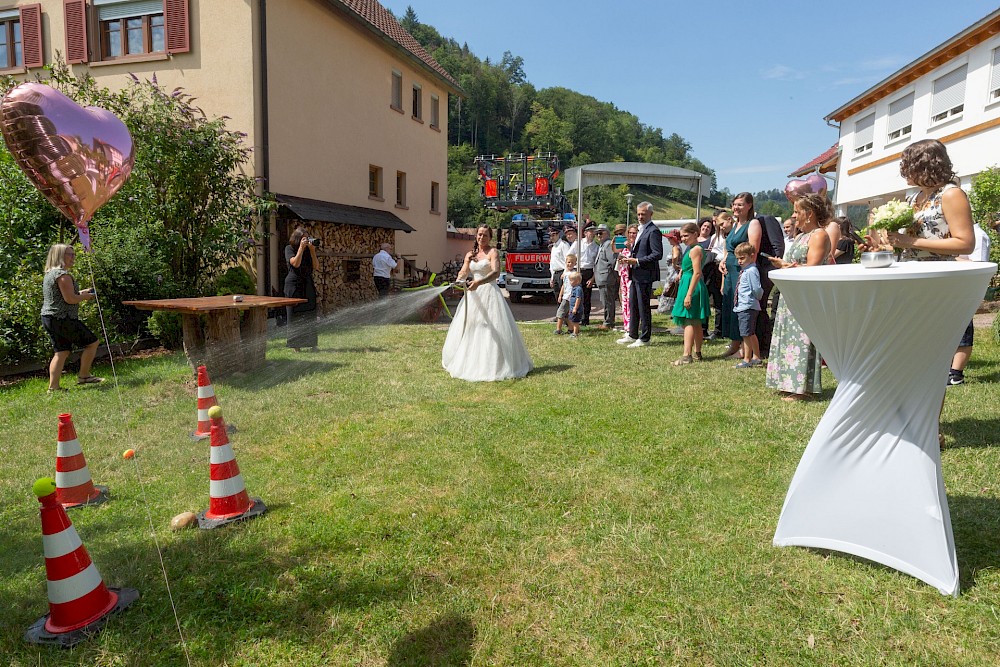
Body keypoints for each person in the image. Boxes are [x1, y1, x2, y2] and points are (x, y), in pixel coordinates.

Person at [442, 225, 533, 381]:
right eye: (479, 234)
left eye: (485, 235)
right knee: (472, 325)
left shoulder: (493, 252)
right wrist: (460, 278)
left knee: (491, 326)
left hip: (489, 293)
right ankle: (469, 360)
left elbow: (496, 272)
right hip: (473, 295)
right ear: (476, 236)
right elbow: (463, 272)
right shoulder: (470, 254)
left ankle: (496, 364)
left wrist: (479, 282)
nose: (481, 237)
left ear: (490, 237)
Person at [764, 193, 832, 401]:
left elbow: (812, 267)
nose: (793, 216)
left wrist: (785, 266)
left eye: (796, 211)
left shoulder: (819, 235)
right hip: (792, 293)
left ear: (809, 214)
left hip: (807, 296)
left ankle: (802, 388)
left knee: (802, 338)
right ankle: (788, 383)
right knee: (788, 336)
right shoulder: (801, 236)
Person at [41, 244, 103, 393]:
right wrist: (86, 296)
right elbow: (70, 299)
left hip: (50, 318)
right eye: (70, 254)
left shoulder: (51, 274)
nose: (73, 257)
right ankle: (84, 376)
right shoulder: (63, 275)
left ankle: (53, 388)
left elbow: (64, 296)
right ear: (60, 256)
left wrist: (82, 292)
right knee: (92, 343)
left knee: (61, 352)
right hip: (62, 318)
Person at [719, 194, 762, 358]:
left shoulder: (753, 224)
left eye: (740, 205)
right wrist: (723, 260)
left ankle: (745, 350)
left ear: (749, 206)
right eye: (734, 205)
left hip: (741, 272)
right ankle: (734, 344)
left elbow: (753, 251)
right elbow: (728, 249)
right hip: (729, 273)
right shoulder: (735, 224)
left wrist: (745, 273)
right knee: (731, 307)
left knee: (742, 308)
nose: (736, 208)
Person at [949, 221, 991, 385]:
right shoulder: (952, 232)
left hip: (963, 292)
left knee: (963, 333)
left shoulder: (978, 235)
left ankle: (956, 375)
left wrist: (947, 258)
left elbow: (979, 266)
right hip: (949, 289)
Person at [618, 202, 663, 348]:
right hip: (636, 273)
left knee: (643, 307)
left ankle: (645, 338)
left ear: (651, 214)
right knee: (634, 304)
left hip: (645, 274)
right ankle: (632, 334)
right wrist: (629, 255)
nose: (640, 216)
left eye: (643, 214)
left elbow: (657, 254)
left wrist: (636, 260)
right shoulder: (641, 229)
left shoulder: (653, 230)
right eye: (638, 214)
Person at [670, 222, 709, 365]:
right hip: (688, 283)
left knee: (689, 321)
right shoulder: (691, 248)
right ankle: (697, 352)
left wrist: (688, 294)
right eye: (682, 236)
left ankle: (687, 355)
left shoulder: (695, 249)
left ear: (695, 234)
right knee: (696, 322)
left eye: (686, 235)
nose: (683, 239)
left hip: (692, 286)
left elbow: (697, 273)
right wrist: (681, 271)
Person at [284, 226, 319, 351]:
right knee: (295, 315)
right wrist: (300, 249)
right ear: (298, 239)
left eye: (307, 238)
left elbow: (316, 266)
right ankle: (296, 345)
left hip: (307, 283)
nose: (307, 240)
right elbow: (295, 263)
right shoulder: (289, 248)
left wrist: (312, 250)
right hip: (294, 285)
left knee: (310, 312)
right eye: (304, 238)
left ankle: (312, 343)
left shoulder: (309, 251)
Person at [732, 242, 764, 368]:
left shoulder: (751, 271)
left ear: (751, 256)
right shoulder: (746, 270)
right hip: (745, 305)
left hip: (747, 305)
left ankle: (747, 359)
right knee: (750, 333)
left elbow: (756, 288)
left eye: (742, 258)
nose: (739, 261)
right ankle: (756, 357)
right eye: (738, 258)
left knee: (745, 334)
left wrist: (757, 298)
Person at [593, 224, 619, 331]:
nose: (598, 235)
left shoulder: (608, 244)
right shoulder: (602, 245)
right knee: (606, 301)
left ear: (607, 234)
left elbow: (612, 261)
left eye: (601, 233)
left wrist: (612, 275)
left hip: (606, 278)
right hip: (602, 278)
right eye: (597, 234)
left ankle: (608, 322)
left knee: (608, 301)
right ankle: (607, 321)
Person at [616, 224, 638, 335]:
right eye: (630, 233)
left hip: (632, 276)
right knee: (624, 301)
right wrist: (620, 259)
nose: (632, 235)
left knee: (630, 301)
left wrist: (630, 249)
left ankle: (631, 326)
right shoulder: (625, 245)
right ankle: (626, 325)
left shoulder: (637, 245)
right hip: (623, 275)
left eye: (634, 233)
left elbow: (635, 257)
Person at [549, 224, 579, 301]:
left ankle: (564, 312)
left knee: (565, 296)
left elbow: (569, 260)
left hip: (563, 273)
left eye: (553, 234)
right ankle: (560, 312)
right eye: (550, 235)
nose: (552, 237)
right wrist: (552, 277)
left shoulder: (564, 245)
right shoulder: (553, 247)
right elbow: (552, 264)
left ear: (558, 234)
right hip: (556, 274)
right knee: (557, 295)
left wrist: (565, 273)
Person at [656, 230, 682, 315]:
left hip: (673, 273)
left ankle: (669, 310)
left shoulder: (675, 247)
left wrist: (674, 264)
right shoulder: (677, 246)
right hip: (673, 272)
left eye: (670, 238)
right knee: (673, 292)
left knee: (670, 291)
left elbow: (675, 256)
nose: (668, 240)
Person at [579, 223, 598, 325]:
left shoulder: (596, 247)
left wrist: (593, 278)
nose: (593, 233)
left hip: (589, 272)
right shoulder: (578, 243)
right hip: (578, 271)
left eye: (594, 231)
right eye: (591, 231)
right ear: (585, 233)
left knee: (586, 298)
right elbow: (570, 256)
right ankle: (575, 318)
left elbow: (596, 265)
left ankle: (585, 319)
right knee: (577, 296)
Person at [554, 253, 578, 335]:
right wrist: (560, 295)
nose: (570, 264)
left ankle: (558, 329)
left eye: (572, 262)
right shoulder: (565, 273)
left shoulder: (574, 274)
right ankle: (570, 329)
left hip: (570, 297)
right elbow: (564, 286)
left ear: (575, 264)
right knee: (567, 314)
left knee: (560, 313)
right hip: (565, 296)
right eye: (568, 262)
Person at [566, 271, 584, 338]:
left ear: (577, 281)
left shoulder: (578, 289)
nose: (570, 282)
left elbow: (578, 298)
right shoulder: (574, 288)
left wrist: (575, 308)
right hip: (572, 308)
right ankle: (574, 331)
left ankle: (575, 333)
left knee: (575, 321)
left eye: (571, 280)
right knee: (572, 320)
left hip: (577, 309)